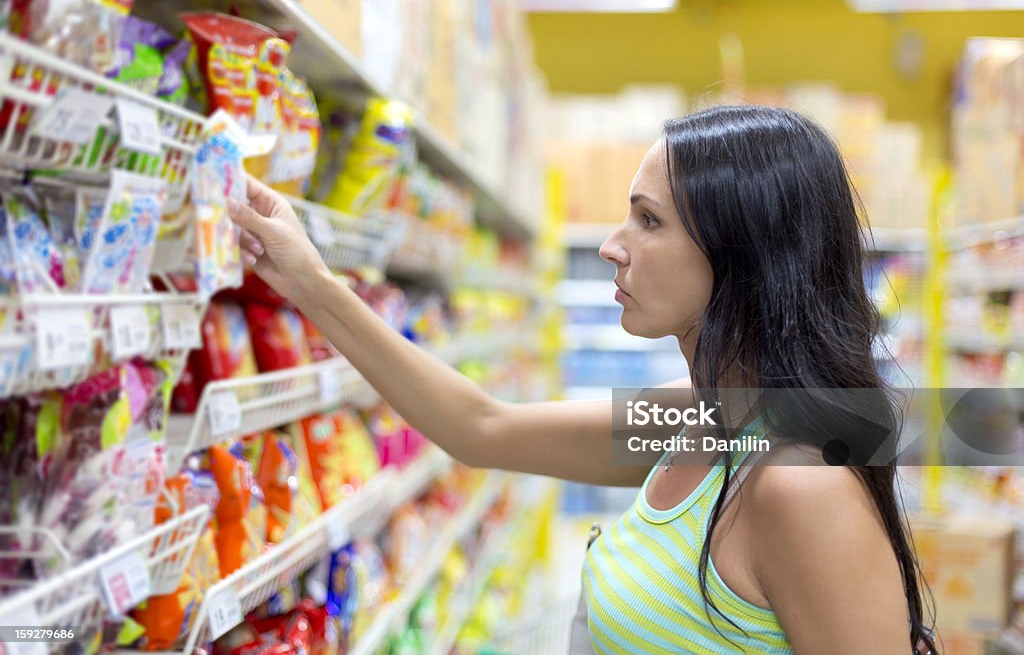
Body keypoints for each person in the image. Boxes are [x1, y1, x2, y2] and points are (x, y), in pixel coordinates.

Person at [228, 105, 937, 654]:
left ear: (742, 257)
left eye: (648, 220)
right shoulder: (693, 418)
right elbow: (481, 427)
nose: (610, 245)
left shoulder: (798, 484)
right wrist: (308, 279)